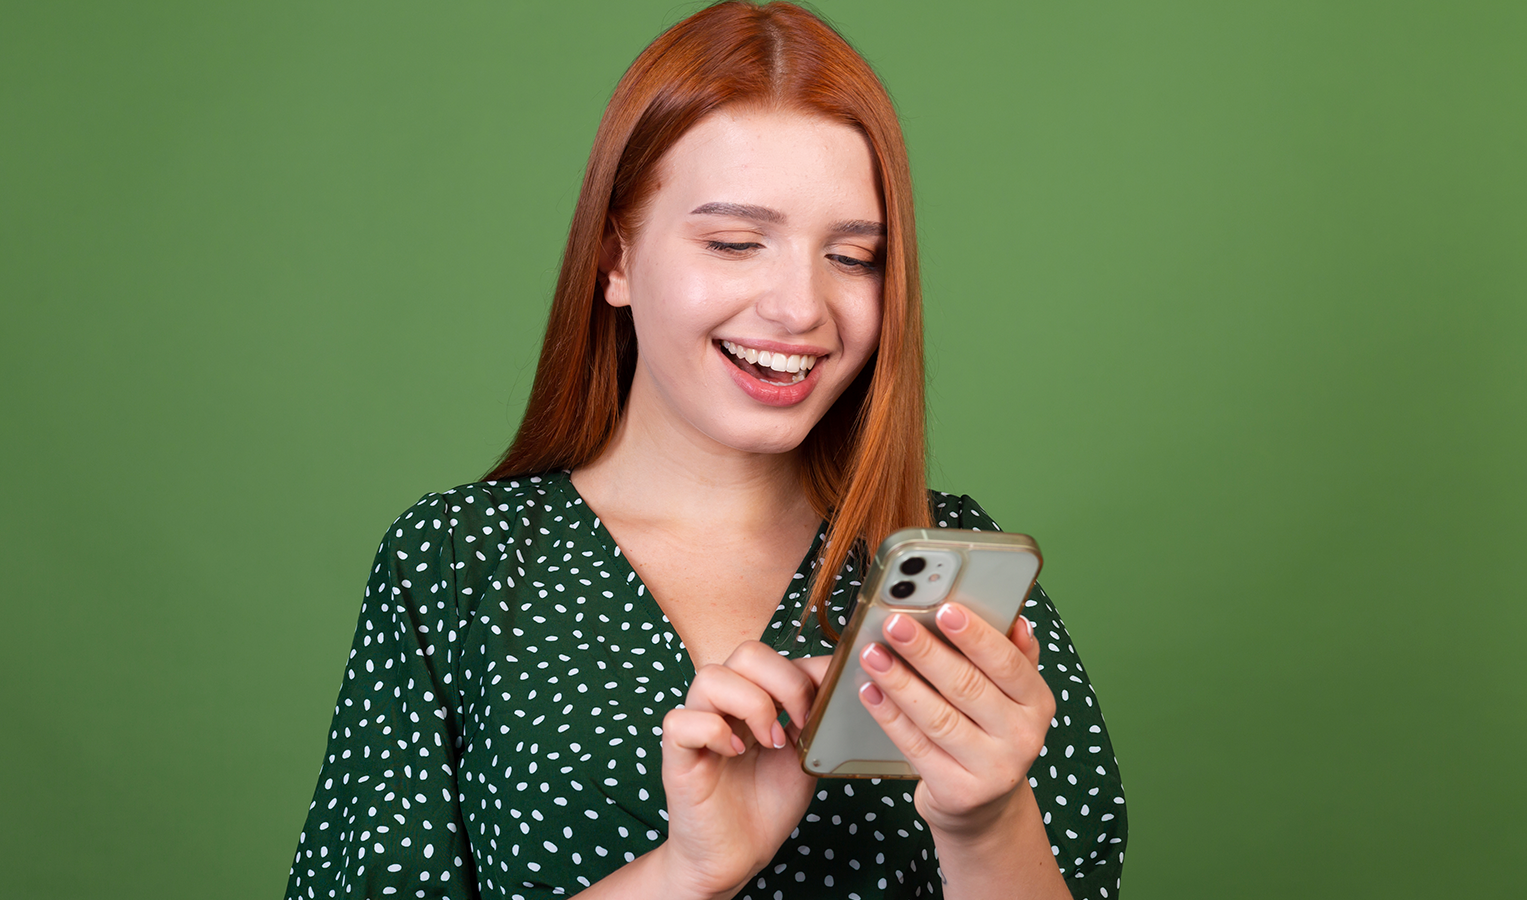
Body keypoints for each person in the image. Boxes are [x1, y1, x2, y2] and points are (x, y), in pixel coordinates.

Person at [284, 3, 1127, 898]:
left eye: (852, 258)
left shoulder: (948, 588)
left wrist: (984, 820)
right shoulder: (460, 565)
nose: (800, 308)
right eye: (734, 243)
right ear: (615, 258)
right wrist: (687, 873)